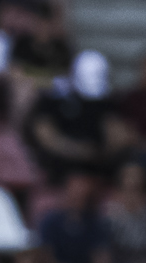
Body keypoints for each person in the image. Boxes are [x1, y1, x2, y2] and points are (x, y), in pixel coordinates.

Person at [25, 48, 112, 184]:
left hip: (96, 169)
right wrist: (79, 151)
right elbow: (45, 135)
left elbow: (115, 132)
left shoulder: (102, 101)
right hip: (59, 169)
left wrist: (103, 151)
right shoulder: (52, 99)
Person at [33, 170, 109, 263]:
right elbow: (45, 257)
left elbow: (102, 259)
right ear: (66, 192)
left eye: (83, 194)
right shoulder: (50, 221)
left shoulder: (95, 223)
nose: (78, 197)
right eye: (75, 192)